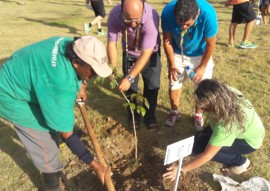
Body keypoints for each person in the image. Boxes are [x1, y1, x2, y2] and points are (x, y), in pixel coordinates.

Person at [0, 36, 112, 190]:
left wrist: (81, 85)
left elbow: (72, 73)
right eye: (92, 71)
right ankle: (52, 185)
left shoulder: (70, 45)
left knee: (54, 120)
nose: (95, 75)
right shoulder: (60, 85)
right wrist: (95, 165)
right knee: (45, 144)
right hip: (9, 94)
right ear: (76, 62)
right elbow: (66, 133)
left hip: (24, 73)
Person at [163, 79, 265, 182]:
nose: (201, 110)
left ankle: (241, 162)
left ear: (214, 106)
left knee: (201, 149)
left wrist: (181, 169)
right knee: (198, 142)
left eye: (204, 108)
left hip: (248, 142)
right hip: (245, 128)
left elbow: (207, 155)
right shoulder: (224, 92)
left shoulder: (226, 124)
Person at [161, 0, 218, 130]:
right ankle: (174, 111)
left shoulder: (208, 14)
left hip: (200, 54)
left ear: (196, 15)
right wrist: (172, 64)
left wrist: (203, 67)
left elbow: (211, 44)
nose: (183, 27)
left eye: (187, 24)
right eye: (180, 23)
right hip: (177, 51)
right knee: (174, 81)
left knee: (202, 85)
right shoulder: (168, 12)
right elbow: (167, 40)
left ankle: (198, 114)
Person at [107, 0, 161, 130]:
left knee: (152, 85)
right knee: (131, 88)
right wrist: (112, 68)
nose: (132, 24)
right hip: (130, 52)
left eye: (136, 19)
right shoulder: (114, 15)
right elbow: (111, 44)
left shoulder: (151, 16)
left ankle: (149, 116)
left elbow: (146, 53)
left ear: (142, 10)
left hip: (150, 53)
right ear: (122, 10)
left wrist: (129, 77)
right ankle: (134, 116)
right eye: (128, 19)